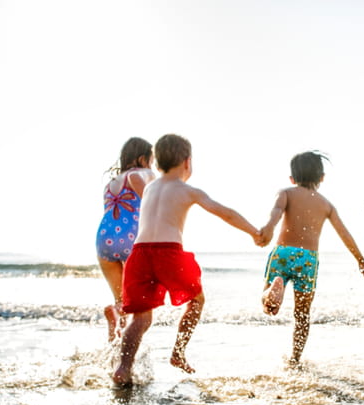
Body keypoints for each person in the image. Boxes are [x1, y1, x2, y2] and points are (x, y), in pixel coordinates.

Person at [112, 134, 261, 386]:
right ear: (187, 162)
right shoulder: (188, 190)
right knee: (196, 301)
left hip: (138, 254)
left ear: (157, 164)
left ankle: (122, 368)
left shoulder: (149, 187)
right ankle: (178, 353)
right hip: (168, 253)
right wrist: (254, 232)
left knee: (141, 318)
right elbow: (224, 213)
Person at [257, 151, 364, 367]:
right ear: (322, 177)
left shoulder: (286, 193)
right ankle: (294, 359)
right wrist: (361, 261)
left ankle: (275, 287)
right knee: (302, 315)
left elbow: (275, 213)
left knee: (269, 307)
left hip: (283, 252)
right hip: (308, 259)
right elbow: (344, 234)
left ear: (292, 178)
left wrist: (267, 228)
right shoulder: (326, 205)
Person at [95, 137, 156, 342]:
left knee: (121, 301)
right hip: (132, 240)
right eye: (152, 160)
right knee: (142, 307)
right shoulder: (143, 174)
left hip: (104, 240)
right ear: (142, 158)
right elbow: (154, 204)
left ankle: (114, 347)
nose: (153, 165)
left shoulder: (111, 183)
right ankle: (124, 357)